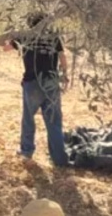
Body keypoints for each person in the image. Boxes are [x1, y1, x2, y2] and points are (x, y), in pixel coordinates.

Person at [5, 12, 70, 167]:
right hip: (51, 82)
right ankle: (59, 159)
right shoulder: (53, 37)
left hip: (32, 82)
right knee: (54, 121)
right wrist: (65, 75)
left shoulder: (25, 36)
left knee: (28, 118)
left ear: (29, 23)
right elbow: (62, 57)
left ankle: (27, 151)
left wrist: (10, 35)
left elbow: (6, 48)